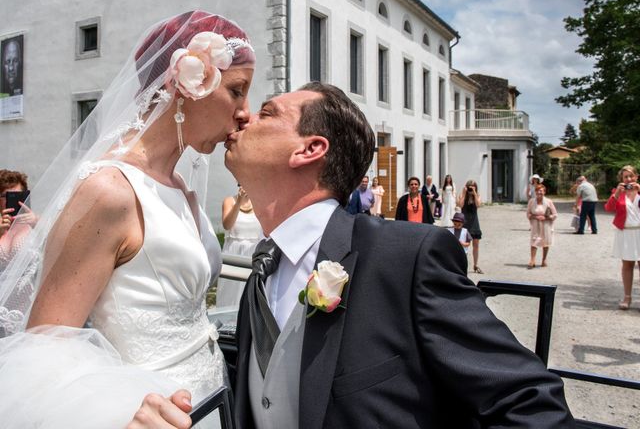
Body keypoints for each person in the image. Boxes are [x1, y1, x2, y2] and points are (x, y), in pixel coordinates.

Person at [139, 82, 575, 428]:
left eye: (268, 112)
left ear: (309, 149)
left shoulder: (404, 257)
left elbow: (528, 402)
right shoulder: (261, 272)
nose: (244, 116)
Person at [0, 11, 256, 427]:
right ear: (184, 85)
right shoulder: (110, 190)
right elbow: (46, 346)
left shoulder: (180, 186)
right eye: (237, 91)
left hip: (210, 405)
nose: (245, 112)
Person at [604, 165, 640, 310]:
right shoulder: (618, 192)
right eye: (625, 177)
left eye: (631, 176)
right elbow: (609, 208)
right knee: (627, 265)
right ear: (622, 180)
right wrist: (617, 193)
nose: (629, 179)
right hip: (625, 232)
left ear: (636, 177)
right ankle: (627, 297)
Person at [0, 169, 37, 271]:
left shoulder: (35, 222)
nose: (10, 201)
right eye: (6, 196)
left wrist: (37, 224)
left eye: (16, 196)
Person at [222, 184, 263, 257]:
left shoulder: (261, 202)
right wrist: (238, 202)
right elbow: (227, 226)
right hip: (232, 252)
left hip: (254, 251)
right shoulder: (229, 201)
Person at [526, 184, 558, 269]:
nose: (539, 192)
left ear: (544, 192)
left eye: (541, 191)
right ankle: (532, 260)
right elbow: (528, 214)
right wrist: (535, 217)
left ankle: (544, 260)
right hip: (536, 224)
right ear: (535, 192)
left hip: (546, 224)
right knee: (534, 241)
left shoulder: (549, 201)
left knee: (545, 242)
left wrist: (546, 217)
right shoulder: (531, 201)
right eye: (538, 190)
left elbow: (555, 214)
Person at [458, 179, 483, 273]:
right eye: (469, 187)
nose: (471, 189)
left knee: (476, 245)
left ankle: (475, 265)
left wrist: (475, 194)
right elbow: (460, 205)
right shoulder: (463, 195)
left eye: (473, 187)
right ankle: (462, 264)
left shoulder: (477, 195)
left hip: (474, 223)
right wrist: (464, 194)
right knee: (463, 246)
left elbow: (478, 205)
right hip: (464, 223)